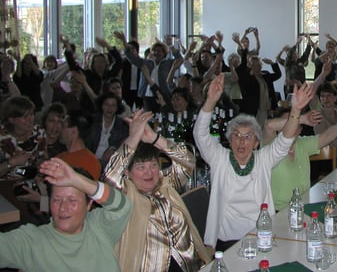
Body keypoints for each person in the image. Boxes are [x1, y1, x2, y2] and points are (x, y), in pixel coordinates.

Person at [194, 73, 313, 251]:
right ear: (229, 140)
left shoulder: (263, 159)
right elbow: (200, 134)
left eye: (248, 136)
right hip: (226, 242)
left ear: (256, 142)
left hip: (262, 237)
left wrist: (296, 110)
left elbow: (285, 140)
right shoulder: (219, 158)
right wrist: (211, 101)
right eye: (237, 136)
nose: (242, 142)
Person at [104, 109, 211, 271]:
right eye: (141, 167)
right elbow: (109, 178)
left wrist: (154, 138)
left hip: (191, 266)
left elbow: (188, 161)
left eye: (153, 165)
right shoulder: (124, 195)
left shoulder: (165, 184)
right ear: (127, 172)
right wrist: (133, 138)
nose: (149, 172)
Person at [0, 158, 132, 272]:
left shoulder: (99, 226)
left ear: (89, 204)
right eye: (57, 199)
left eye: (72, 200)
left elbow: (122, 206)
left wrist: (78, 180)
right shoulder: (31, 241)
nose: (63, 208)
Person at [266, 105, 337, 211]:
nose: (292, 126)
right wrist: (301, 118)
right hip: (279, 212)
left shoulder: (302, 144)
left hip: (304, 207)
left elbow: (328, 136)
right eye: (288, 122)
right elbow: (269, 125)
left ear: (300, 129)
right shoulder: (270, 147)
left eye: (294, 123)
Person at [85, 92, 129, 166]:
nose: (109, 108)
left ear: (117, 107)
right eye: (106, 104)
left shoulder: (122, 125)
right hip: (90, 159)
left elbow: (123, 144)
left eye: (113, 105)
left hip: (111, 163)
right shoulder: (91, 121)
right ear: (101, 105)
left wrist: (113, 149)